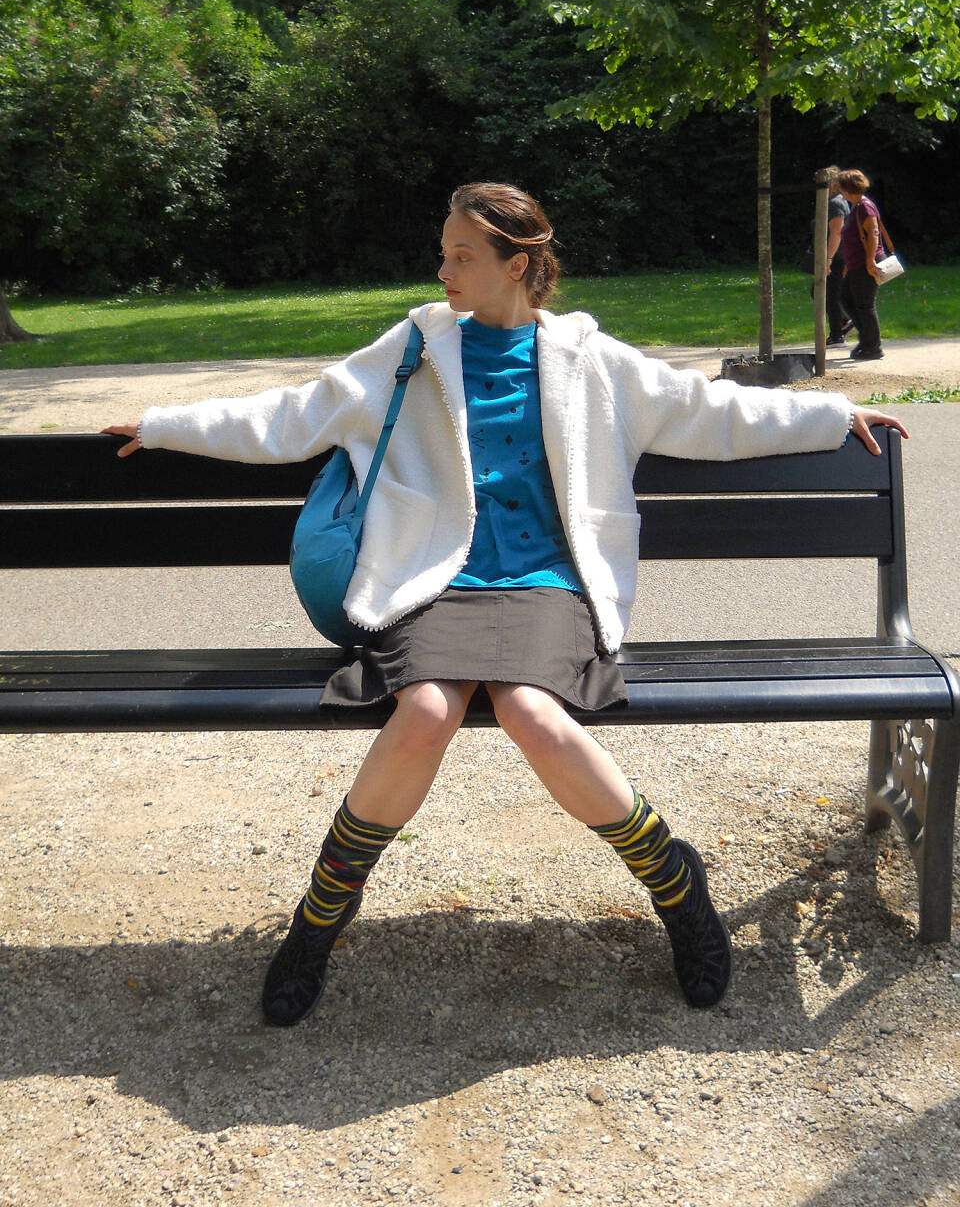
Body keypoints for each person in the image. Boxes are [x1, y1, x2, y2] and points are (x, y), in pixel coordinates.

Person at [102, 181, 907, 1026]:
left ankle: (674, 883)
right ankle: (321, 915)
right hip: (435, 579)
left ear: (516, 265)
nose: (443, 270)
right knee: (423, 711)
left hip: (546, 582)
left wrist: (831, 417)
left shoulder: (589, 358)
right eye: (443, 253)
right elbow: (296, 414)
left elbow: (708, 411)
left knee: (531, 712)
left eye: (461, 255)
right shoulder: (415, 347)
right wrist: (162, 425)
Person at [837, 168, 885, 361]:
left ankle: (873, 346)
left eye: (842, 188)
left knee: (865, 305)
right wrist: (848, 264)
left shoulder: (865, 207)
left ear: (849, 188)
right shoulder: (856, 207)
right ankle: (866, 339)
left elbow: (873, 234)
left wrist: (870, 261)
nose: (840, 192)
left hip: (866, 264)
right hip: (856, 264)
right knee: (846, 298)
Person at [824, 167, 853, 346]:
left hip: (838, 257)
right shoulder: (838, 200)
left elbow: (836, 232)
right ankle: (845, 323)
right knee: (822, 292)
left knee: (830, 295)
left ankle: (837, 335)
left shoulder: (835, 202)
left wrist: (828, 259)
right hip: (839, 256)